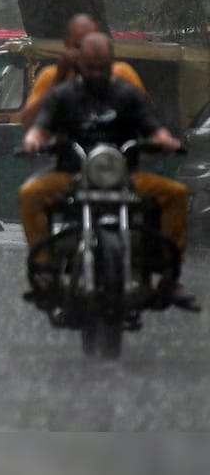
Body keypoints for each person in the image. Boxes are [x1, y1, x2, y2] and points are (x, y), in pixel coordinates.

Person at [20, 31, 197, 311]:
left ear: (110, 62)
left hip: (124, 176)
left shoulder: (126, 93)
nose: (95, 72)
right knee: (30, 193)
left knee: (176, 193)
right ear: (80, 65)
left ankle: (168, 276)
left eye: (101, 66)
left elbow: (150, 123)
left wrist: (163, 139)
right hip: (71, 175)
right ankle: (45, 271)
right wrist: (34, 140)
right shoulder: (63, 95)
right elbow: (40, 125)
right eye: (89, 66)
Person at [19, 13, 144, 129]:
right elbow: (28, 123)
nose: (87, 54)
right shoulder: (51, 75)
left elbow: (146, 115)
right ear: (67, 44)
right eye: (80, 46)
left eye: (92, 45)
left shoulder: (121, 72)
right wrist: (58, 78)